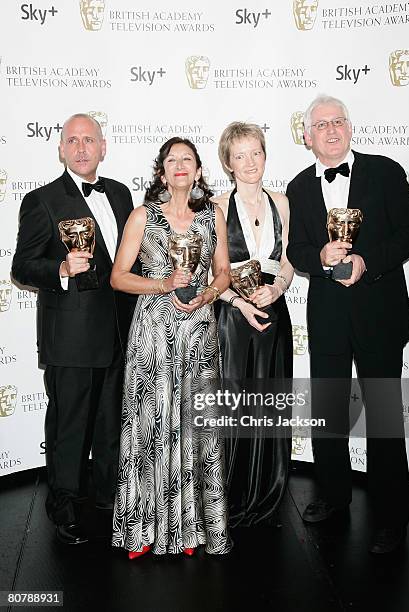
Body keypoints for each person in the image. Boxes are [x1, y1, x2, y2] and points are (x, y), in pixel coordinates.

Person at [286, 95, 409, 554]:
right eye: (321, 124)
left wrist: (369, 260)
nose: (331, 130)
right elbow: (296, 251)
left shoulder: (385, 171)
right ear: (307, 136)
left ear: (350, 127)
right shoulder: (298, 187)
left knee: (384, 417)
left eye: (338, 121)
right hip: (327, 316)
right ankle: (333, 495)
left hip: (378, 314)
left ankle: (392, 516)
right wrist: (319, 257)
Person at [12, 113, 137, 545]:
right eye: (73, 140)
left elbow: (129, 262)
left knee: (109, 422)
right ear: (61, 149)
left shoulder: (120, 194)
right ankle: (62, 503)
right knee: (68, 424)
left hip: (119, 331)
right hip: (69, 335)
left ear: (104, 147)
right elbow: (21, 267)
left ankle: (107, 496)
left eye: (90, 140)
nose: (82, 147)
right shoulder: (41, 200)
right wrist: (61, 268)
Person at [110, 137, 232, 557]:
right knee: (152, 426)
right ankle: (144, 530)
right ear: (161, 172)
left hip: (198, 331)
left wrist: (210, 295)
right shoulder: (143, 216)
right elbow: (119, 277)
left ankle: (191, 529)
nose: (180, 165)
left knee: (196, 426)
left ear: (198, 171)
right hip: (155, 333)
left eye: (188, 159)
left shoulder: (212, 215)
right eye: (171, 160)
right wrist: (162, 284)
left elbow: (222, 273)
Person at [213, 122, 294, 527]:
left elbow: (288, 262)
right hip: (232, 317)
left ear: (265, 154)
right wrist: (236, 302)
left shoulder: (281, 202)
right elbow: (207, 274)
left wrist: (278, 287)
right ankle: (226, 496)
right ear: (228, 163)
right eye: (239, 155)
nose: (249, 162)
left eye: (255, 153)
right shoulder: (216, 207)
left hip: (273, 313)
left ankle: (265, 489)